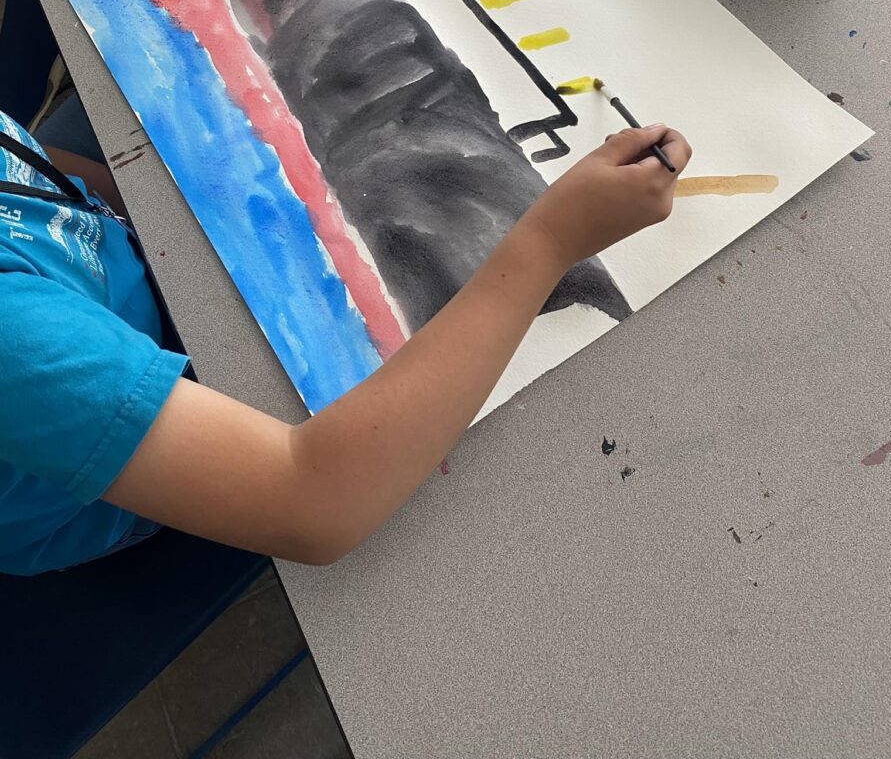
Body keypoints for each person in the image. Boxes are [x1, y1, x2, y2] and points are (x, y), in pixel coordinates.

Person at [0, 100, 690, 576]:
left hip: (119, 311)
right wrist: (549, 242)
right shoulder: (16, 346)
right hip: (120, 484)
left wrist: (154, 198)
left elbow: (34, 182)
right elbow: (312, 502)